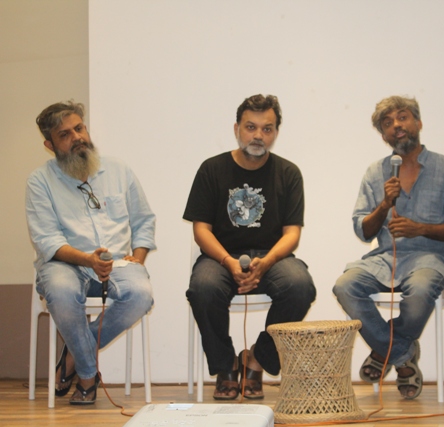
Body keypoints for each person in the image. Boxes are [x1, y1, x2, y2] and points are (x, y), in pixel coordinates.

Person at [333, 96, 444, 399]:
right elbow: (363, 230)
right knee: (345, 286)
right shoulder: (375, 172)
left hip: (432, 258)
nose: (396, 125)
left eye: (402, 117)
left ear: (418, 122)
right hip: (385, 258)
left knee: (420, 291)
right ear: (383, 135)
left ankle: (383, 351)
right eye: (387, 123)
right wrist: (385, 204)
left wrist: (420, 228)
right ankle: (402, 355)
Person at [184, 94, 316, 401]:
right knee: (203, 289)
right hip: (220, 257)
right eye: (251, 127)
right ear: (237, 129)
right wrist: (228, 261)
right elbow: (201, 230)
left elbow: (292, 234)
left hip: (273, 258)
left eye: (267, 129)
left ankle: (257, 360)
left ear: (276, 133)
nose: (258, 135)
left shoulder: (289, 173)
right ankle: (226, 366)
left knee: (300, 286)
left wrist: (266, 262)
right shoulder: (211, 169)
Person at [26, 101, 156, 405]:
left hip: (117, 263)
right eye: (65, 134)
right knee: (61, 292)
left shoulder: (118, 170)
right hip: (64, 263)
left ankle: (73, 355)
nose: (77, 137)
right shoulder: (39, 181)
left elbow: (144, 220)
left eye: (79, 128)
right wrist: (88, 260)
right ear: (50, 145)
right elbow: (47, 240)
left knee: (141, 295)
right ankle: (87, 376)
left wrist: (138, 257)